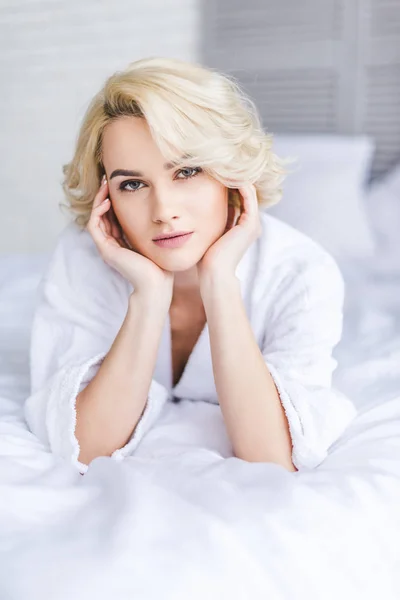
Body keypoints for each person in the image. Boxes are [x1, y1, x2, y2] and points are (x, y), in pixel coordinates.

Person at [23, 56, 357, 476]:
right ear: (106, 196)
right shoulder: (82, 258)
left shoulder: (301, 271)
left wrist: (219, 282)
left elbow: (272, 456)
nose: (163, 211)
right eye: (132, 184)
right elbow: (86, 447)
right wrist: (148, 296)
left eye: (187, 171)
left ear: (231, 174)